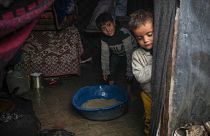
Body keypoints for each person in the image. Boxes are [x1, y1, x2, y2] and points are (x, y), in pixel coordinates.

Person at [95, 12, 137, 89]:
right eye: (104, 28)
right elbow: (105, 56)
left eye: (109, 25)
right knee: (113, 63)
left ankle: (131, 86)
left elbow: (129, 53)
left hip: (132, 53)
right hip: (118, 53)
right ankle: (111, 83)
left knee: (132, 72)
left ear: (114, 23)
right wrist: (105, 72)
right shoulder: (104, 39)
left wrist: (129, 72)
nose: (108, 30)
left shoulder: (123, 33)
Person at [128, 9, 153, 136]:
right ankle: (148, 132)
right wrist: (155, 64)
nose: (146, 40)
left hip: (164, 94)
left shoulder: (164, 47)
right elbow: (140, 77)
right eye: (140, 37)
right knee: (150, 118)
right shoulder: (137, 55)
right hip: (148, 94)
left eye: (150, 34)